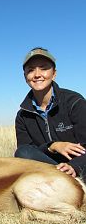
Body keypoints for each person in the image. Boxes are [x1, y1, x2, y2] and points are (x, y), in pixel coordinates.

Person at [14, 47, 86, 180]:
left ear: (54, 74)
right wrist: (52, 147)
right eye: (30, 70)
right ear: (25, 77)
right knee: (22, 151)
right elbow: (27, 153)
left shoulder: (74, 102)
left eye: (43, 68)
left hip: (80, 167)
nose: (37, 74)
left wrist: (74, 166)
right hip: (52, 170)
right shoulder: (22, 115)